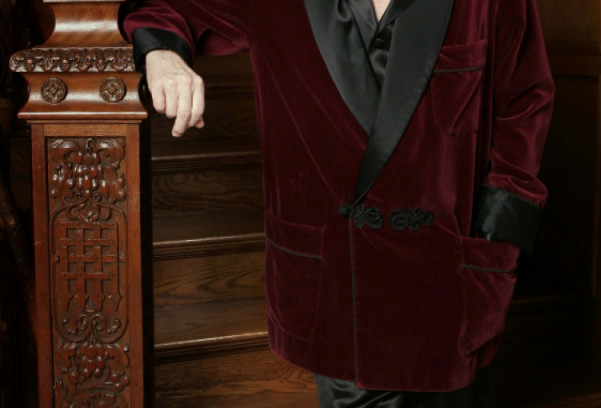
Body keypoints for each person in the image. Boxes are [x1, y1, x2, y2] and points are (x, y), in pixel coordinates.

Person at [123, 0, 554, 406]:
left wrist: (496, 241)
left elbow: (526, 100)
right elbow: (162, 7)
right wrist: (162, 54)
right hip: (338, 291)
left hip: (451, 289)